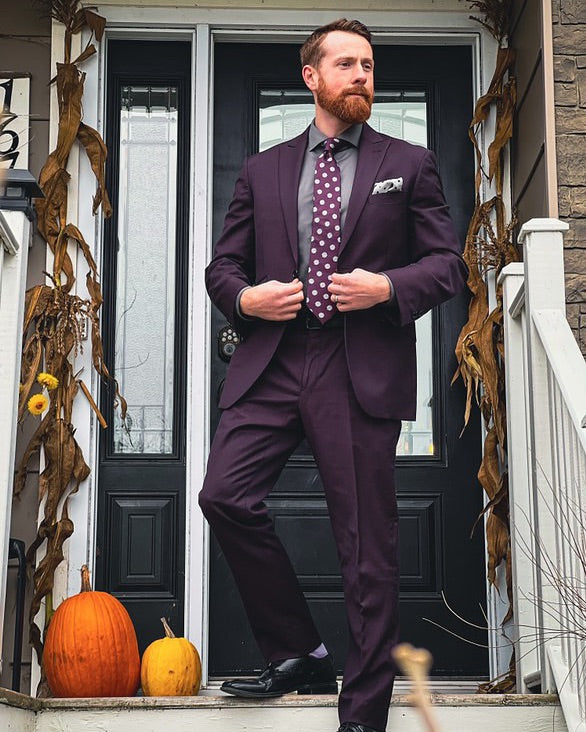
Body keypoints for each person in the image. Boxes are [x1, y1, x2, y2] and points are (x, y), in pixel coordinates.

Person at [199, 18, 468, 732]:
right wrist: (245, 298)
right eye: (345, 64)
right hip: (275, 362)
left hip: (359, 365)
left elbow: (447, 265)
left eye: (369, 65)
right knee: (224, 495)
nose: (361, 76)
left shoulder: (408, 163)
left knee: (364, 545)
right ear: (311, 77)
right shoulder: (264, 169)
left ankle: (363, 712)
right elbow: (222, 267)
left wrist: (385, 287)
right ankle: (298, 649)